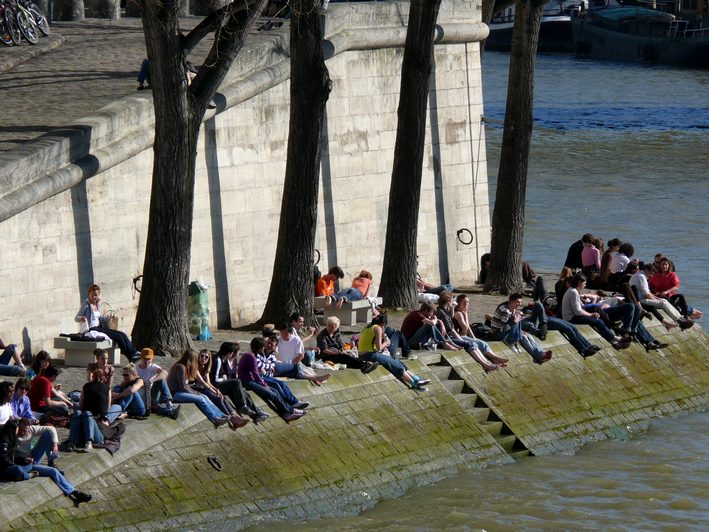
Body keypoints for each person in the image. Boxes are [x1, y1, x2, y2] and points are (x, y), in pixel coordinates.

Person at [0, 419, 92, 507]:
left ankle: (75, 493)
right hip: (18, 466)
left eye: (25, 430)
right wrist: (21, 461)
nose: (22, 432)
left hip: (28, 462)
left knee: (53, 471)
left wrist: (54, 444)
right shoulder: (8, 439)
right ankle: (28, 475)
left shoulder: (30, 430)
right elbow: (6, 459)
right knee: (18, 469)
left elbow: (50, 428)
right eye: (19, 429)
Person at [237, 338, 306, 422]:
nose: (264, 348)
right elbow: (255, 374)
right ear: (260, 347)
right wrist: (263, 384)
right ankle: (289, 412)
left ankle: (287, 411)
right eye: (263, 347)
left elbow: (257, 372)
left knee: (275, 391)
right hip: (247, 381)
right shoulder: (251, 357)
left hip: (253, 379)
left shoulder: (253, 356)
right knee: (272, 394)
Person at [436, 292, 507, 372]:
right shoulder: (446, 313)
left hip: (453, 336)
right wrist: (461, 339)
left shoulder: (444, 311)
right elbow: (453, 329)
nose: (453, 302)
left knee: (479, 343)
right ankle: (487, 364)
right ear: (448, 301)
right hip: (449, 338)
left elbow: (451, 319)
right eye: (452, 300)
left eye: (467, 302)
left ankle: (489, 363)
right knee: (471, 344)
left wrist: (473, 337)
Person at [167, 350, 237, 429]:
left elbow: (186, 386)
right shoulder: (180, 367)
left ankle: (221, 415)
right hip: (174, 394)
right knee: (200, 398)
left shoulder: (187, 367)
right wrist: (195, 393)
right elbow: (183, 386)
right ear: (191, 359)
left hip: (180, 392)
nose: (197, 361)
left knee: (204, 396)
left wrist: (195, 392)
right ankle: (215, 418)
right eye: (195, 359)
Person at [359, 314, 431, 390]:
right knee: (394, 363)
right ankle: (414, 384)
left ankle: (416, 378)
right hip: (369, 355)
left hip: (365, 354)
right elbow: (378, 347)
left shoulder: (367, 327)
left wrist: (383, 350)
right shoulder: (377, 328)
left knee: (395, 360)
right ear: (384, 324)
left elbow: (370, 345)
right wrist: (386, 342)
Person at [560, 274, 630, 350]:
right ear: (579, 282)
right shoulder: (573, 292)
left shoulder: (573, 290)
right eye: (584, 283)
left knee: (597, 313)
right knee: (598, 322)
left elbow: (579, 308)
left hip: (574, 315)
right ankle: (614, 339)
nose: (585, 285)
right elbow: (578, 311)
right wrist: (591, 315)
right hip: (571, 318)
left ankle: (615, 335)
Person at [75, 283, 141, 362]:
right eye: (92, 294)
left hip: (99, 327)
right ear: (89, 294)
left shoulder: (97, 304)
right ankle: (131, 357)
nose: (94, 297)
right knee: (118, 337)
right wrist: (82, 318)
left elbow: (98, 318)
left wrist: (107, 318)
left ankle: (134, 352)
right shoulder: (86, 305)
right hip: (92, 329)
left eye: (96, 295)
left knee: (122, 334)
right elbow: (76, 318)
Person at [211, 342, 269, 424]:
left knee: (244, 393)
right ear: (230, 353)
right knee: (237, 382)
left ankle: (256, 414)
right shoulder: (218, 360)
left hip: (221, 384)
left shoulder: (223, 359)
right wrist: (224, 379)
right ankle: (242, 406)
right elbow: (214, 379)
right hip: (215, 386)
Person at [68, 368, 122, 452]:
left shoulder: (86, 387)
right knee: (117, 407)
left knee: (79, 411)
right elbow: (107, 408)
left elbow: (81, 405)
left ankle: (72, 442)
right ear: (104, 378)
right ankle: (89, 442)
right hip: (98, 431)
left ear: (92, 377)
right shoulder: (107, 388)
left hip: (84, 427)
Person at [490, 294, 553, 364]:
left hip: (505, 332)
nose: (519, 304)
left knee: (528, 335)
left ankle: (541, 353)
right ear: (511, 301)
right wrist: (514, 322)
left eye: (520, 302)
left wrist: (520, 330)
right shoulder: (505, 311)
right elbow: (501, 329)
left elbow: (511, 325)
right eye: (517, 302)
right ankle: (538, 357)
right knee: (522, 334)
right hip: (497, 335)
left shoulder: (512, 309)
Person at [194, 350, 249, 429]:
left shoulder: (205, 367)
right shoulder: (196, 367)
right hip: (197, 388)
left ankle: (234, 415)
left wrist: (217, 390)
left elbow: (208, 383)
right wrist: (214, 391)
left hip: (205, 388)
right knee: (218, 398)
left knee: (223, 397)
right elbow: (202, 383)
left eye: (206, 357)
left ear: (209, 359)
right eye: (202, 356)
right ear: (199, 356)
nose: (203, 358)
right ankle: (232, 418)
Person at [629, 262, 692, 330]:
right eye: (651, 273)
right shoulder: (642, 277)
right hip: (640, 300)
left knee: (663, 300)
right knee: (663, 302)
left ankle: (680, 318)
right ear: (646, 269)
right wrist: (656, 300)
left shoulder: (639, 275)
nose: (652, 275)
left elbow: (648, 292)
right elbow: (646, 295)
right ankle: (680, 320)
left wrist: (657, 298)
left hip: (639, 298)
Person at [649, 257, 702, 321]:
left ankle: (686, 316)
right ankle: (683, 312)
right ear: (660, 266)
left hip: (670, 296)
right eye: (662, 264)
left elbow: (676, 286)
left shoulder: (672, 275)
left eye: (666, 264)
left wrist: (666, 291)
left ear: (669, 266)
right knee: (675, 302)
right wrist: (654, 293)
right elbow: (650, 287)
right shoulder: (655, 276)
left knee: (680, 296)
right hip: (659, 297)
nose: (664, 266)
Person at [135, 348, 180, 419]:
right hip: (142, 396)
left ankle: (169, 404)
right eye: (145, 359)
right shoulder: (136, 368)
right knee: (154, 407)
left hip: (152, 394)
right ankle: (169, 411)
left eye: (149, 359)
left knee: (161, 379)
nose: (147, 361)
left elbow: (164, 373)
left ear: (152, 359)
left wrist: (151, 381)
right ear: (141, 358)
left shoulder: (153, 367)